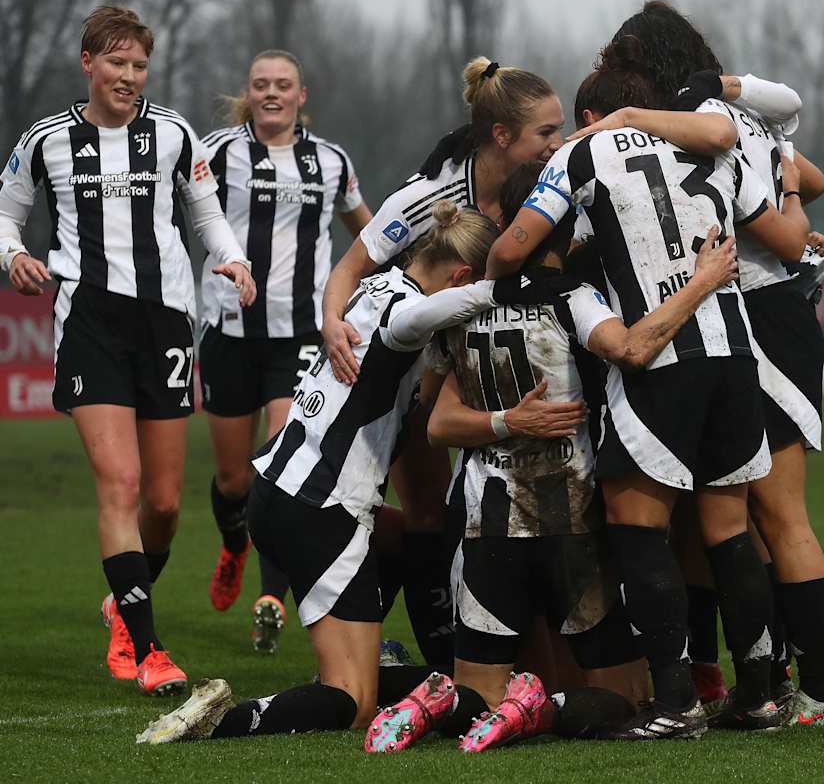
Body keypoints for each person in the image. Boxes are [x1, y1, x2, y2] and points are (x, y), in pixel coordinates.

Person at [135, 201, 586, 744]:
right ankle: (220, 720)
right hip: (323, 508)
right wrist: (531, 287)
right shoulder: (406, 313)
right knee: (351, 701)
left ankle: (388, 656)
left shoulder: (378, 285)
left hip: (280, 487)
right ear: (461, 275)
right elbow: (437, 314)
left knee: (415, 542)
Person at [485, 44, 810, 738]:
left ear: (591, 113)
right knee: (729, 530)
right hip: (732, 351)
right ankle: (759, 694)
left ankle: (675, 702)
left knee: (639, 529)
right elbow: (786, 224)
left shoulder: (582, 155)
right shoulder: (716, 148)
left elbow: (511, 251)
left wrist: (537, 257)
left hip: (656, 357)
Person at [365, 171, 740, 753]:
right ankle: (543, 707)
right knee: (625, 701)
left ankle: (436, 699)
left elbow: (436, 423)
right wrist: (701, 283)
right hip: (570, 519)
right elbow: (633, 348)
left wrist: (503, 422)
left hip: (484, 524)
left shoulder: (459, 310)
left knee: (478, 699)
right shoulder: (572, 299)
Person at [0, 7, 255, 696]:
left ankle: (124, 601)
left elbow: (205, 213)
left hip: (167, 321)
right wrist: (15, 255)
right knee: (120, 483)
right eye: (117, 63)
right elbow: (6, 211)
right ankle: (149, 651)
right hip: (88, 320)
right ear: (89, 63)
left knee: (166, 505)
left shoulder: (172, 133)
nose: (130, 77)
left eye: (139, 65)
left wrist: (232, 260)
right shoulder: (48, 138)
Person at [604, 0, 824, 727]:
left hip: (757, 312)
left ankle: (812, 690)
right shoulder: (740, 113)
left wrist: (785, 201)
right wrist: (790, 177)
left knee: (775, 514)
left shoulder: (698, 126)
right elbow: (809, 174)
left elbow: (789, 237)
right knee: (735, 513)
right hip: (764, 315)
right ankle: (772, 676)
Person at [321, 56, 566, 666]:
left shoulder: (551, 184)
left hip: (509, 374)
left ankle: (507, 653)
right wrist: (331, 322)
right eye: (546, 133)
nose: (557, 145)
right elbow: (352, 266)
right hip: (425, 377)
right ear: (502, 136)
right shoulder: (432, 195)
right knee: (433, 513)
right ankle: (440, 659)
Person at [198, 49, 372, 653]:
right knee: (231, 475)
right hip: (227, 330)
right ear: (249, 93)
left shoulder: (331, 162)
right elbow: (184, 217)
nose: (272, 93)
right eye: (261, 85)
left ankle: (271, 596)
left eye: (284, 85)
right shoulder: (217, 152)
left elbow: (367, 235)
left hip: (298, 334)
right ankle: (232, 543)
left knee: (276, 461)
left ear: (303, 95)